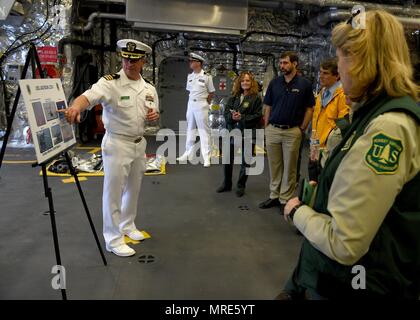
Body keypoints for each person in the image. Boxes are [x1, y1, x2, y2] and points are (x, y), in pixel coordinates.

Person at [280, 10, 420, 299]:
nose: (339, 69)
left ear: (361, 61)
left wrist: (297, 211)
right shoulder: (369, 115)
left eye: (343, 56)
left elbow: (344, 244)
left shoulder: (387, 128)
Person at [61, 39, 160, 257]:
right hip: (117, 143)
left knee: (133, 189)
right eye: (125, 58)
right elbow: (88, 96)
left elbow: (153, 116)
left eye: (134, 60)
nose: (128, 64)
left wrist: (154, 117)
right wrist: (75, 107)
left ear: (143, 61)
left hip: (138, 143)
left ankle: (127, 225)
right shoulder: (110, 83)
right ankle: (113, 239)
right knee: (113, 193)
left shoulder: (149, 88)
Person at [259, 51, 315, 212]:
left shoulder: (304, 84)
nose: (282, 66)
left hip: (292, 131)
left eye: (285, 63)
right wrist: (267, 126)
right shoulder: (275, 83)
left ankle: (285, 199)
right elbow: (268, 106)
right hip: (273, 130)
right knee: (274, 165)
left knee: (290, 167)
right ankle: (274, 196)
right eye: (281, 63)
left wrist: (302, 128)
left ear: (295, 64)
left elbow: (309, 109)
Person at [216, 71, 263, 197]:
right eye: (242, 81)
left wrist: (241, 117)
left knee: (245, 161)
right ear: (239, 83)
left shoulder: (256, 98)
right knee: (227, 159)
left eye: (247, 80)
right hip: (232, 131)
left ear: (252, 82)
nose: (245, 83)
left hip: (248, 132)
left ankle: (241, 185)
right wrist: (232, 117)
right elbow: (226, 113)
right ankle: (227, 184)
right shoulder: (234, 96)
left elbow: (258, 116)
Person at [308, 58, 350, 183]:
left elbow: (344, 123)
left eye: (325, 73)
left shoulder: (343, 95)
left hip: (329, 149)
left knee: (325, 182)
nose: (321, 76)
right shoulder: (322, 92)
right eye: (320, 72)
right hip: (315, 145)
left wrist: (330, 144)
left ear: (337, 76)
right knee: (313, 180)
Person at [177, 53, 215, 167]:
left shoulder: (207, 77)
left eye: (192, 61)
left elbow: (211, 92)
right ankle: (188, 153)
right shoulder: (190, 76)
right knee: (190, 128)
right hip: (191, 104)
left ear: (198, 63)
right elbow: (190, 91)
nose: (190, 63)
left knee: (204, 131)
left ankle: (206, 156)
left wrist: (206, 103)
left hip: (201, 104)